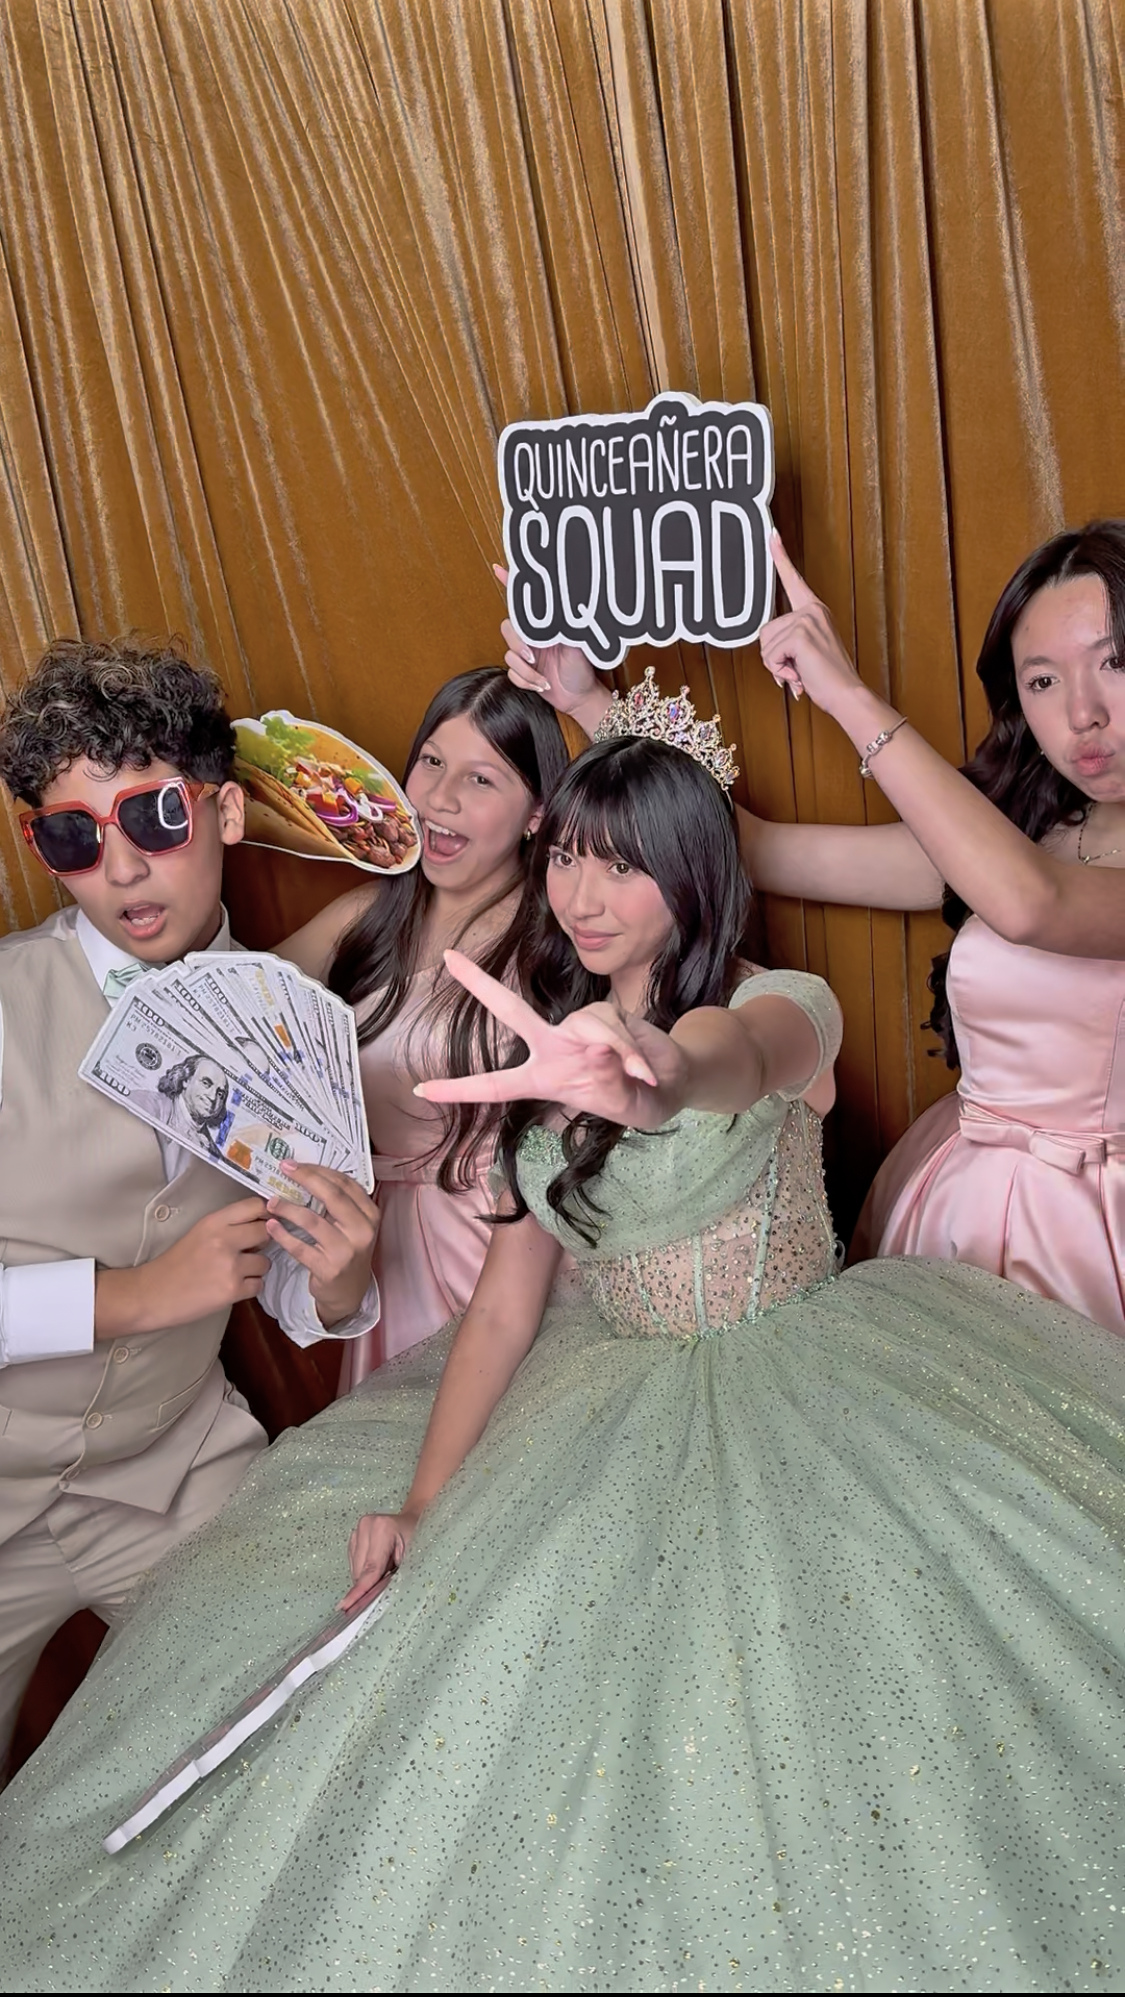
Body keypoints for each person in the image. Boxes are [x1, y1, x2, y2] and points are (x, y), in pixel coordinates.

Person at [3, 699, 1125, 1994]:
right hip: (599, 1406)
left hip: (810, 1405)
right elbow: (501, 1309)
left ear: (692, 870)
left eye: (624, 862)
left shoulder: (778, 1005)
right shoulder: (545, 1056)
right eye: (570, 858)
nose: (585, 894)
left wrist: (651, 1072)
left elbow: (731, 1059)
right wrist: (426, 1501)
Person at [506, 522, 1125, 1333]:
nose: (1082, 713)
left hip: (1097, 1229)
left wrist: (846, 694)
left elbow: (1028, 903)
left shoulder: (1006, 868)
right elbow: (751, 847)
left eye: (1115, 662)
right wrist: (589, 703)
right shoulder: (1018, 834)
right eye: (1041, 680)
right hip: (966, 1206)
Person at [0, 637, 382, 1773]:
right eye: (75, 837)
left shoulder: (287, 1027)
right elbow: (170, 1284)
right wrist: (131, 1298)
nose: (122, 869)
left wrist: (342, 1279)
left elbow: (295, 1287)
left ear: (223, 811)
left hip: (174, 1471)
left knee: (316, 1731)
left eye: (154, 817)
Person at [279, 667, 568, 1387]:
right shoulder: (366, 919)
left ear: (537, 813)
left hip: (509, 1247)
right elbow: (229, 1008)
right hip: (384, 1250)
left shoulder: (559, 936)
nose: (439, 798)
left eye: (481, 779)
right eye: (432, 761)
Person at [133, 1052, 229, 1157]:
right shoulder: (144, 1102)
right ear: (186, 1080)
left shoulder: (214, 1154)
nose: (213, 1097)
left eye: (220, 1094)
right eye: (206, 1083)